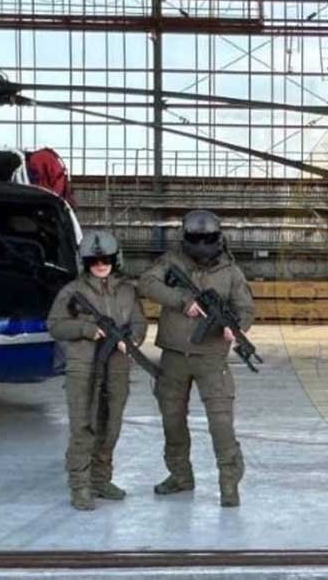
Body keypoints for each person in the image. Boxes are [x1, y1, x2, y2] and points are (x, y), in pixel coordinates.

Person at [138, 210, 257, 507]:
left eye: (207, 239)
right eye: (196, 239)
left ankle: (229, 483)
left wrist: (237, 327)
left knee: (221, 423)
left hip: (212, 359)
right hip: (174, 356)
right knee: (172, 419)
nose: (202, 245)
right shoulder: (171, 261)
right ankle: (180, 476)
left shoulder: (231, 271)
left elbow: (246, 308)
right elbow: (146, 283)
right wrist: (182, 300)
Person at [46, 231, 147, 511]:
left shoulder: (127, 290)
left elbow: (139, 322)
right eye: (94, 260)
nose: (101, 265)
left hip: (117, 366)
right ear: (85, 262)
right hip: (83, 367)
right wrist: (86, 329)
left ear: (116, 260)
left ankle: (101, 479)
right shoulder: (72, 291)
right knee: (83, 426)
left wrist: (133, 340)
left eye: (106, 260)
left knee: (111, 425)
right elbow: (55, 325)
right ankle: (80, 486)